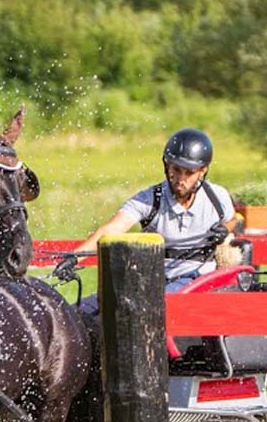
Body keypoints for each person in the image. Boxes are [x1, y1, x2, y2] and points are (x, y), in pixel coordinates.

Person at [58, 128, 236, 305]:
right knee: (84, 310)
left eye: (189, 173)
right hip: (154, 280)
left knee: (148, 303)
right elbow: (110, 230)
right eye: (176, 170)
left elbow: (232, 220)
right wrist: (74, 258)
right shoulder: (149, 200)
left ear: (202, 171)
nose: (180, 179)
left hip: (198, 282)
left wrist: (225, 230)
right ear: (166, 166)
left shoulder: (217, 197)